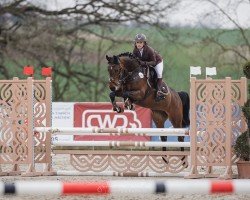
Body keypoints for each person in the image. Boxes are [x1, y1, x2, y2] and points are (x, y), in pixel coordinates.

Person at [133, 33, 167, 101]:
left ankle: (159, 91)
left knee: (159, 74)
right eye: (137, 42)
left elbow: (153, 62)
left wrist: (143, 63)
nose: (139, 44)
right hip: (146, 64)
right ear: (135, 43)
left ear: (144, 43)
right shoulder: (135, 50)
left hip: (157, 62)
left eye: (140, 42)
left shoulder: (149, 50)